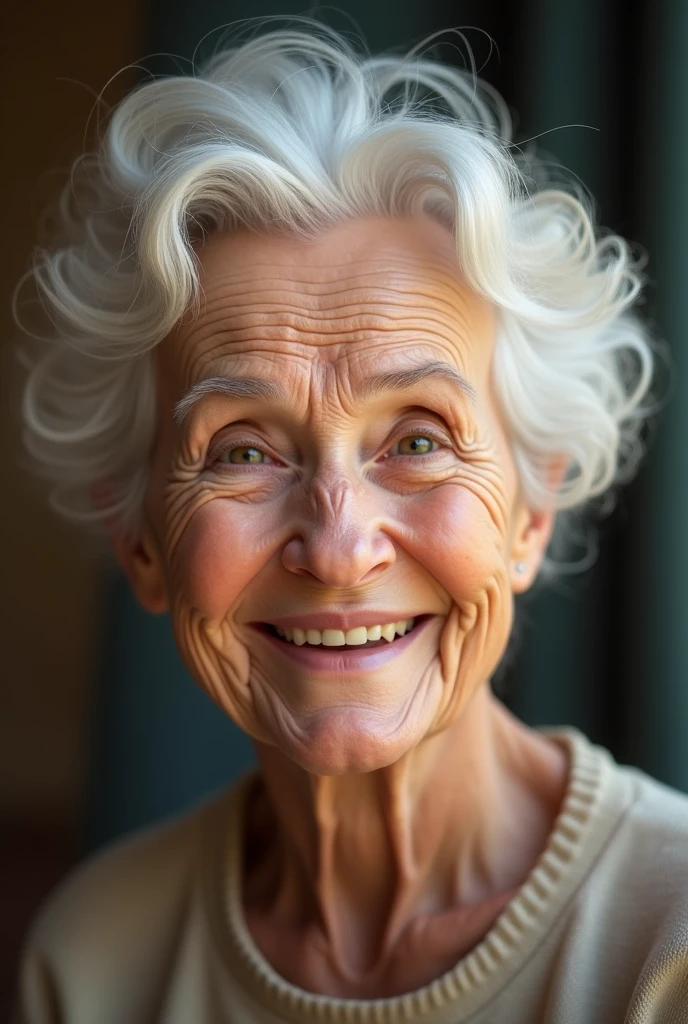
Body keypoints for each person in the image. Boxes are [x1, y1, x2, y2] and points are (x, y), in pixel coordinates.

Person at [13, 21, 688, 1024]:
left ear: (530, 511)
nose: (336, 549)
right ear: (139, 538)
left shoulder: (665, 945)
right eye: (242, 449)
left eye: (416, 440)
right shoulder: (95, 960)